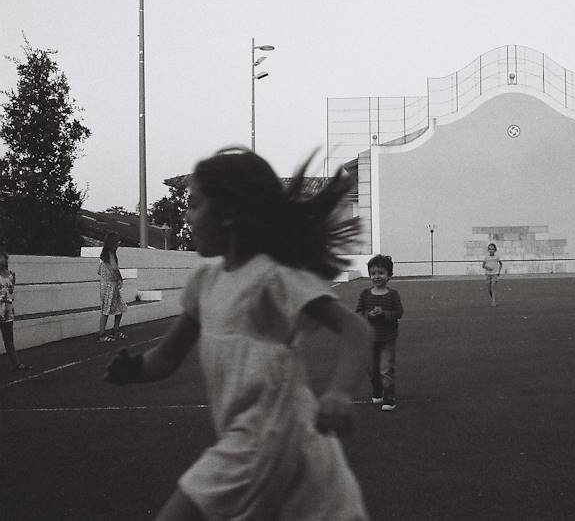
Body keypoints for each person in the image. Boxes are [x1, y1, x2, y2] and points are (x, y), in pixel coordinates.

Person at [104, 147, 371, 521]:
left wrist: (340, 394)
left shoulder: (271, 277)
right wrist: (136, 370)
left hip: (269, 436)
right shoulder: (205, 282)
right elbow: (166, 358)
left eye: (195, 205)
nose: (187, 216)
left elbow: (355, 327)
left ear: (228, 213)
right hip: (274, 450)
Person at [355, 254, 403, 412]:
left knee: (386, 369)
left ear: (389, 275)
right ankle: (377, 388)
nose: (377, 276)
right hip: (369, 339)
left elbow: (398, 313)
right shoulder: (365, 294)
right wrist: (368, 314)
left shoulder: (393, 295)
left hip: (387, 338)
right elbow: (358, 313)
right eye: (373, 273)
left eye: (381, 273)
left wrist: (384, 314)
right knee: (371, 369)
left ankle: (389, 397)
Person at [1, 251, 31, 371]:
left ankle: (16, 363)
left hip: (7, 311)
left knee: (9, 340)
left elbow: (11, 292)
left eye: (1, 258)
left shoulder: (12, 275)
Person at [97, 232, 128, 342]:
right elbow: (114, 268)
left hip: (109, 284)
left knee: (119, 308)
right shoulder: (109, 253)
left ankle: (115, 330)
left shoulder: (106, 254)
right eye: (117, 241)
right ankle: (102, 334)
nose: (119, 243)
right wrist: (119, 278)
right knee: (106, 310)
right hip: (109, 285)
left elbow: (99, 271)